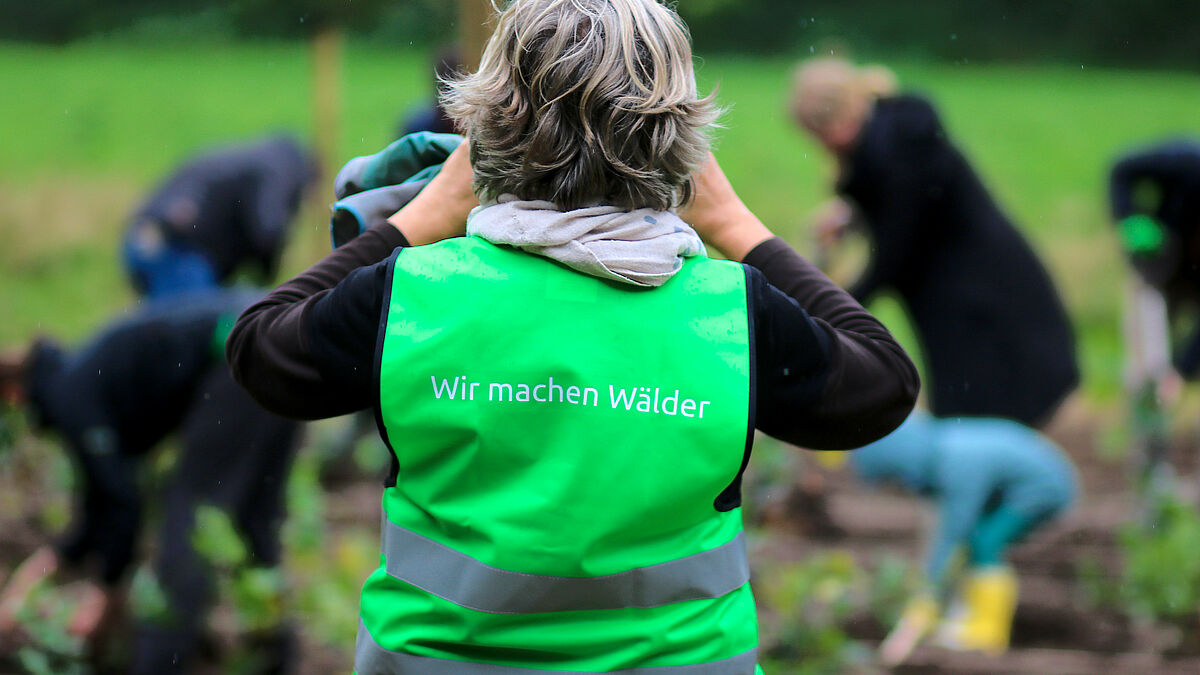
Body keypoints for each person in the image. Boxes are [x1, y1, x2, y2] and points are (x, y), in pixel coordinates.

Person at [228, 1, 919, 672]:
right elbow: (883, 383)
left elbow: (260, 350)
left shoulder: (411, 293)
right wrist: (737, 226)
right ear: (680, 138)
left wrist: (419, 215)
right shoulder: (735, 314)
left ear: (488, 124)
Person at [790, 58, 1080, 660]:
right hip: (964, 312)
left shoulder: (901, 150)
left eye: (822, 139)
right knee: (972, 451)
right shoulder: (894, 138)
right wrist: (851, 216)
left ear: (837, 122)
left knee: (978, 444)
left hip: (988, 317)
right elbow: (893, 210)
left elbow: (897, 246)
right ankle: (965, 582)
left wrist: (832, 312)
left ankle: (968, 591)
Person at [0, 291, 301, 674]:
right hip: (277, 344)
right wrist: (41, 570)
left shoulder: (68, 395)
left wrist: (105, 593)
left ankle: (159, 664)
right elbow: (103, 502)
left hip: (237, 348)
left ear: (12, 394)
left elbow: (122, 500)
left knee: (191, 512)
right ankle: (275, 657)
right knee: (253, 519)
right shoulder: (76, 377)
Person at [123, 134, 316, 299]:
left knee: (166, 332)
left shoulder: (255, 158)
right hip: (180, 249)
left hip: (142, 238)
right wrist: (268, 278)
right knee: (194, 334)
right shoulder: (281, 169)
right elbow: (268, 230)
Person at [1109, 139, 1200, 410]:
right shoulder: (1187, 164)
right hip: (1158, 257)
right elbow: (1121, 170)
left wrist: (1182, 370)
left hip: (1191, 273)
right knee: (1145, 349)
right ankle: (1143, 421)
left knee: (1167, 375)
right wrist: (1130, 218)